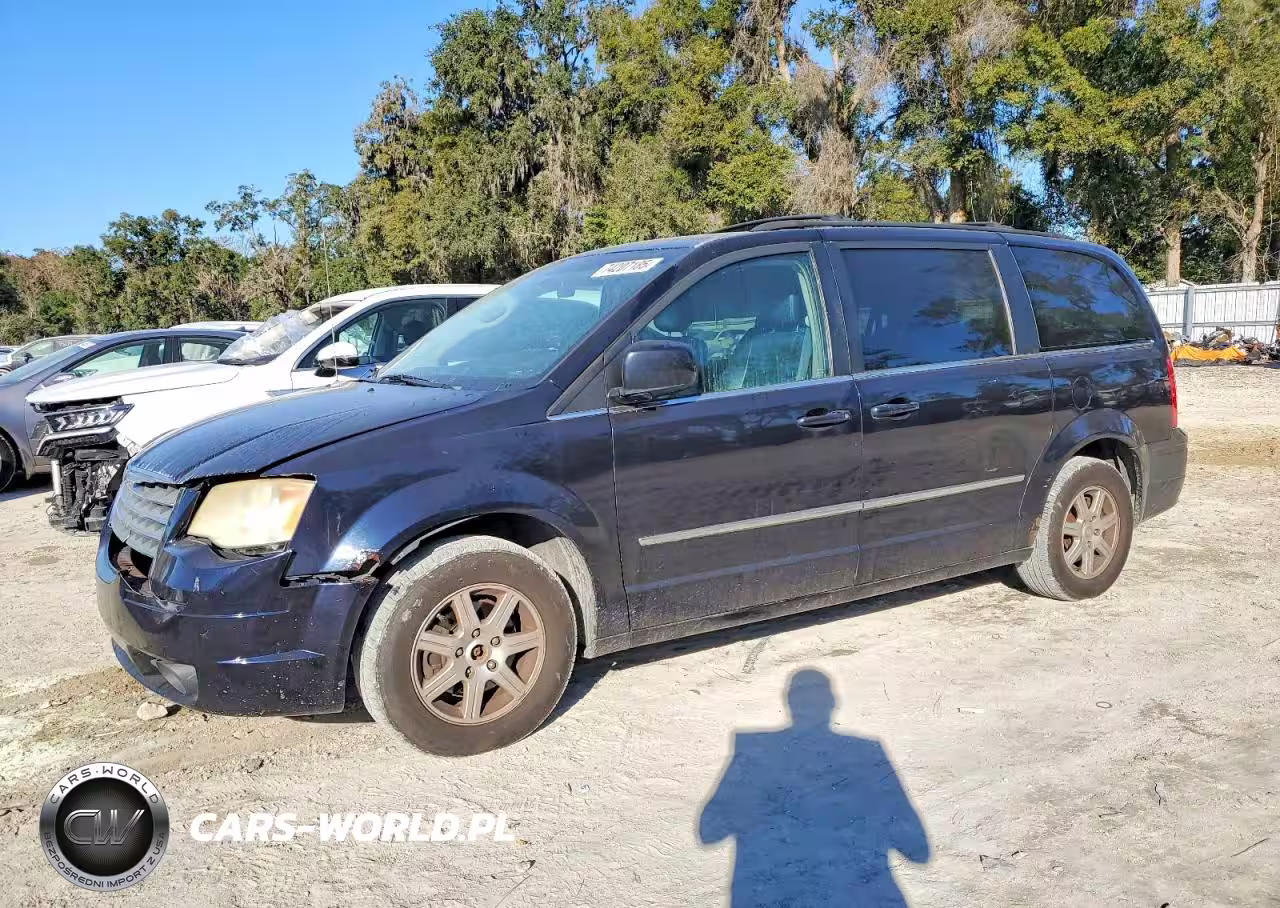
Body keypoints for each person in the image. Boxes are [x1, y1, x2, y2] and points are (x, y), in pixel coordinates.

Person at [699, 669, 930, 907]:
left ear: (789, 703)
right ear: (832, 704)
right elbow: (917, 850)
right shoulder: (866, 754)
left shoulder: (755, 753)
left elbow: (710, 831)